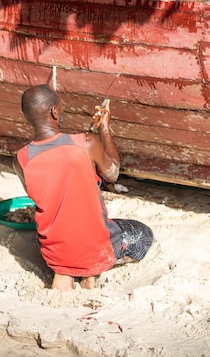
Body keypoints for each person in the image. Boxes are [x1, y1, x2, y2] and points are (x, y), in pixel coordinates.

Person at [13, 84, 154, 290]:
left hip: (54, 253)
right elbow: (112, 174)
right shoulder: (86, 143)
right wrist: (104, 130)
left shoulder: (21, 159)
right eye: (60, 108)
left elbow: (49, 192)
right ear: (53, 111)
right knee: (142, 233)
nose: (61, 112)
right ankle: (90, 274)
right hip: (95, 249)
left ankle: (64, 273)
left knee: (56, 230)